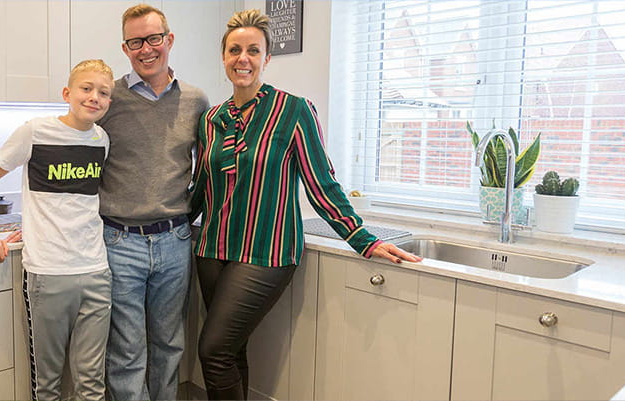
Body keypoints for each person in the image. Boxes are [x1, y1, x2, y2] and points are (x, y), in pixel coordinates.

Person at [188, 9, 423, 400]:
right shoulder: (210, 118)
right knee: (231, 351)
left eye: (252, 50)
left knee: (212, 350)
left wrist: (363, 239)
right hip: (212, 247)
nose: (242, 58)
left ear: (267, 58)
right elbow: (201, 187)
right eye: (234, 50)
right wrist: (167, 225)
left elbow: (321, 183)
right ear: (224, 57)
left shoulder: (294, 110)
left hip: (268, 250)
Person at [0, 59, 116, 401]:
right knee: (47, 384)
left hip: (96, 270)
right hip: (47, 274)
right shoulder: (34, 131)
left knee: (92, 385)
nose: (94, 97)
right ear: (67, 93)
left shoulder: (102, 140)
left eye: (103, 93)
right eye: (86, 88)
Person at [97, 4, 209, 401]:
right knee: (126, 349)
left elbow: (208, 166)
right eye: (135, 42)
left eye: (153, 38)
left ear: (169, 40)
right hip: (118, 240)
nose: (146, 49)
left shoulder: (196, 100)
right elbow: (74, 150)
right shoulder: (107, 98)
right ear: (125, 47)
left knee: (169, 344)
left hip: (175, 240)